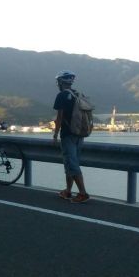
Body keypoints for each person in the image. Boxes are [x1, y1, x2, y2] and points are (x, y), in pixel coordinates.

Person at [52, 70, 90, 203]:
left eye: (58, 81)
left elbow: (59, 117)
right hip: (80, 134)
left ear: (61, 82)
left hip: (68, 134)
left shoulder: (61, 95)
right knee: (70, 163)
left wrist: (55, 134)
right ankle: (68, 191)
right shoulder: (78, 94)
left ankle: (83, 193)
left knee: (72, 164)